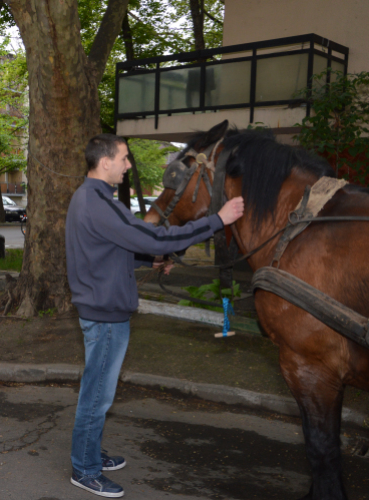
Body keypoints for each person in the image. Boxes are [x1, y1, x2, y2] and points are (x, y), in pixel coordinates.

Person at [65, 134, 245, 498]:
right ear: (105, 163)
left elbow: (112, 249)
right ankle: (84, 469)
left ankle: (90, 455)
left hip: (103, 309)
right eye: (124, 159)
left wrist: (151, 260)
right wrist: (216, 221)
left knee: (98, 391)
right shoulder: (98, 203)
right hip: (105, 315)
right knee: (97, 395)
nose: (128, 165)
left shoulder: (91, 198)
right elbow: (153, 236)